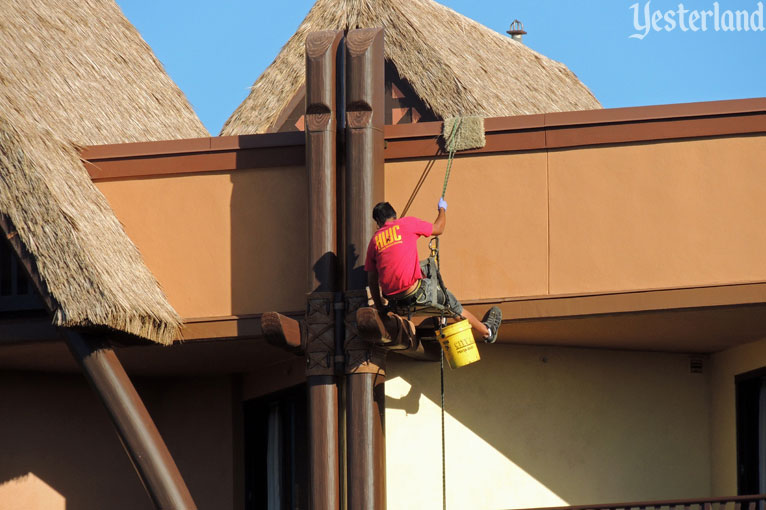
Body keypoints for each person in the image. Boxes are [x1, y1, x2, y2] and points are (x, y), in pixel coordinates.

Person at [364, 199, 502, 343]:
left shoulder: (374, 241)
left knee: (424, 272)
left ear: (378, 221)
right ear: (395, 215)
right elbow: (439, 228)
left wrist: (381, 308)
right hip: (415, 293)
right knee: (452, 305)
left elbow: (372, 279)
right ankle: (487, 331)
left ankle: (439, 320)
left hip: (394, 302)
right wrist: (442, 209)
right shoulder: (406, 223)